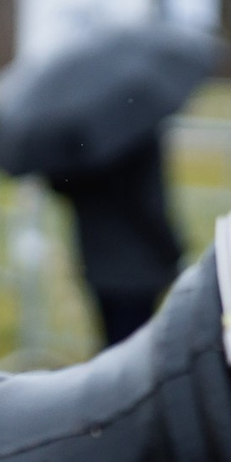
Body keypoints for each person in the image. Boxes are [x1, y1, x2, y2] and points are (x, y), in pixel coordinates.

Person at [45, 134, 181, 346]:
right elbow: (150, 202)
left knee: (110, 345)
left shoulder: (77, 137)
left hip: (96, 262)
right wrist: (172, 250)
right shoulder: (138, 136)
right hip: (140, 266)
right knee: (136, 351)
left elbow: (61, 185)